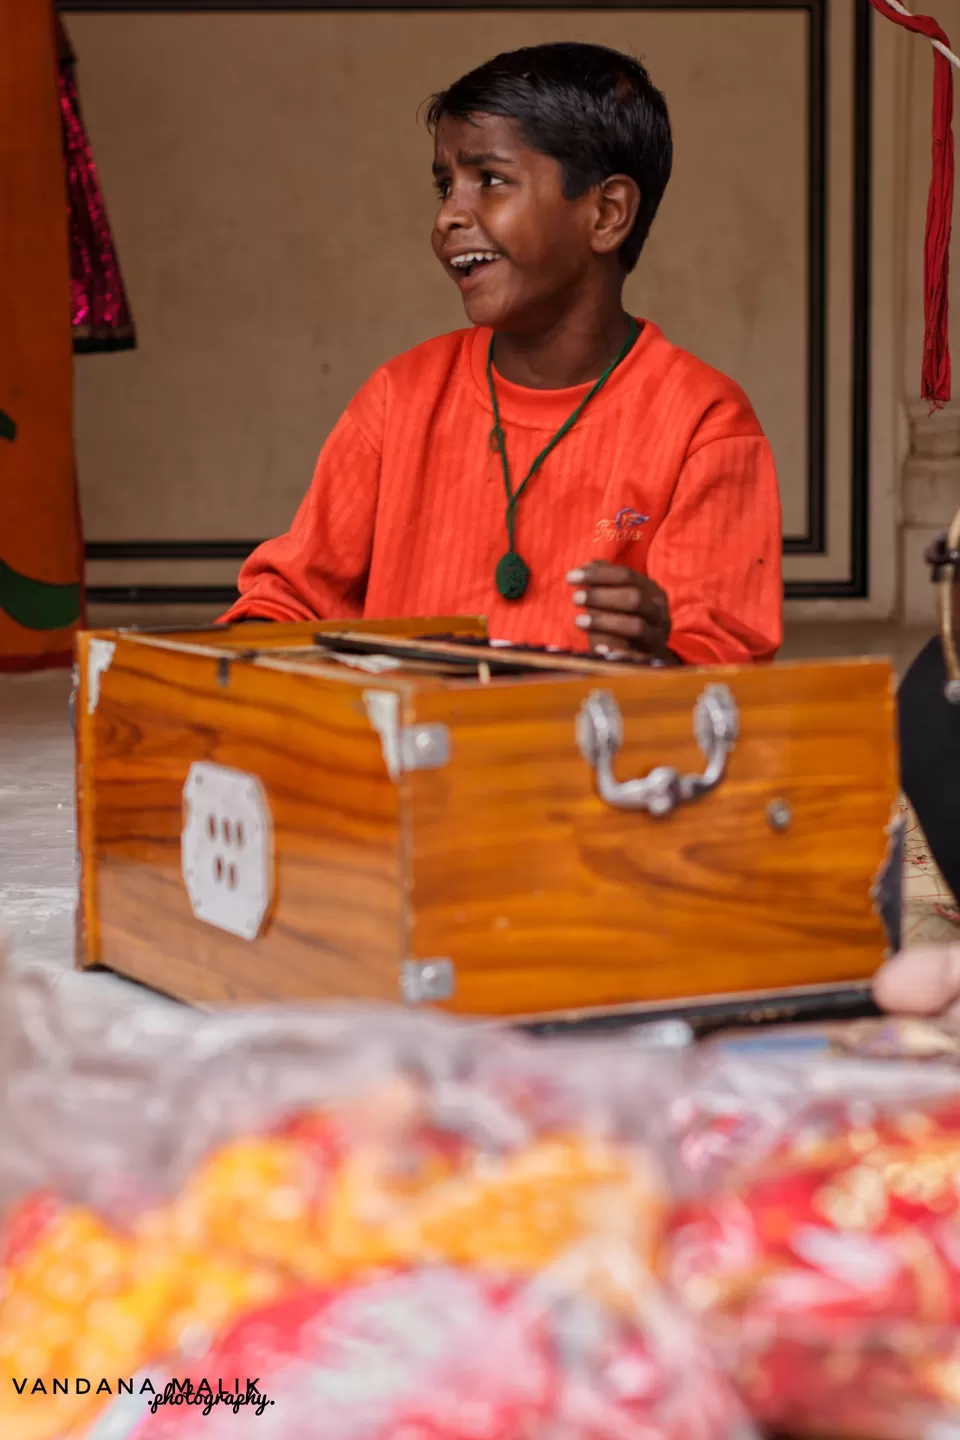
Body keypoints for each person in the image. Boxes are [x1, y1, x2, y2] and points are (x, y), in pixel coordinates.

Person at [222, 42, 783, 666]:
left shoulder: (704, 424)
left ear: (607, 213)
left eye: (489, 180)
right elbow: (288, 603)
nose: (448, 217)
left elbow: (725, 664)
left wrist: (663, 656)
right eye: (444, 186)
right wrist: (234, 658)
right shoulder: (399, 399)